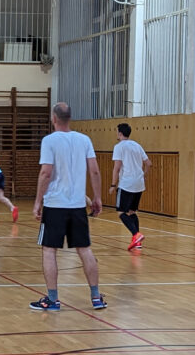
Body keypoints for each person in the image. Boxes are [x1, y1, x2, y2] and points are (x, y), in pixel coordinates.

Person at [30, 102, 106, 311]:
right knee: (85, 249)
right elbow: (95, 171)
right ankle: (96, 297)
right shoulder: (84, 140)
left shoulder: (49, 141)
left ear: (54, 118)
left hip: (55, 205)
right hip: (77, 206)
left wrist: (38, 201)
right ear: (69, 118)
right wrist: (97, 198)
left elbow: (46, 172)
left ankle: (53, 299)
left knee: (49, 250)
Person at [109, 122, 151, 251]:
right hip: (139, 183)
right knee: (132, 212)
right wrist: (143, 175)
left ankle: (136, 234)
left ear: (120, 133)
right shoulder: (137, 145)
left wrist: (113, 185)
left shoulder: (119, 147)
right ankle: (137, 242)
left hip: (126, 184)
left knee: (121, 212)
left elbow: (117, 168)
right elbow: (149, 163)